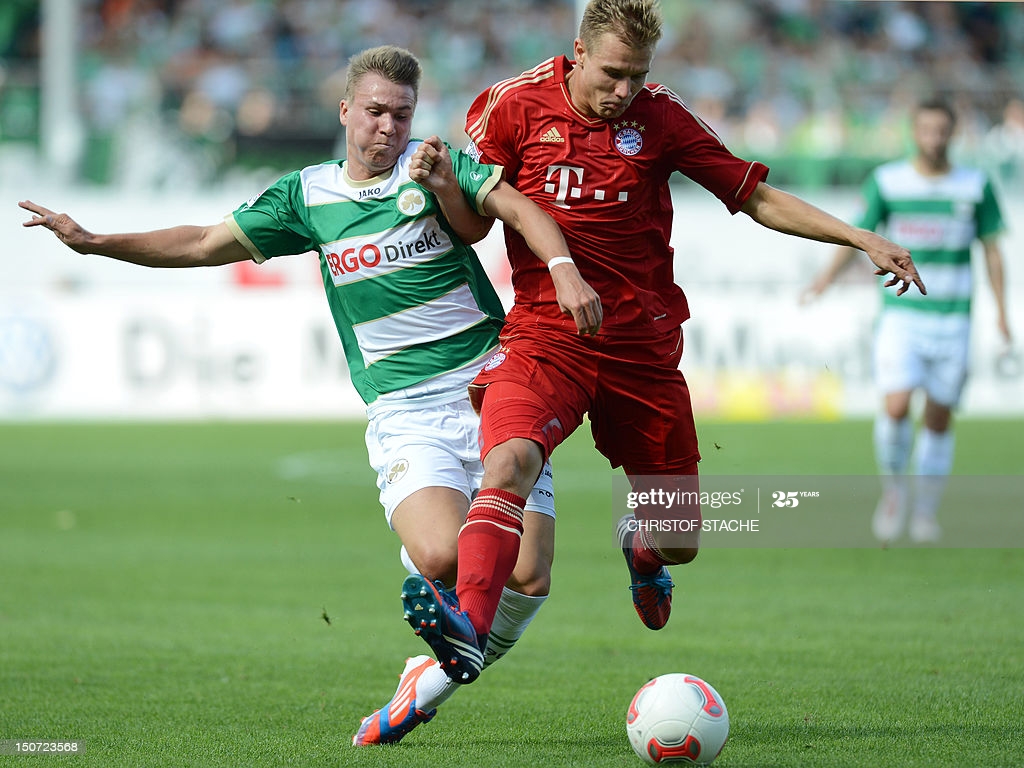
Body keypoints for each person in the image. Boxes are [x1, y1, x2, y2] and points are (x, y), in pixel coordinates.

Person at [19, 45, 603, 746]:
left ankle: (432, 676)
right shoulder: (306, 197)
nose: (389, 128)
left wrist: (560, 266)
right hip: (407, 410)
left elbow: (507, 208)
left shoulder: (433, 166)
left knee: (529, 578)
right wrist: (94, 241)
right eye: (376, 112)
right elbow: (205, 241)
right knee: (446, 561)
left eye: (402, 114)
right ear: (346, 111)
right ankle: (443, 641)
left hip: (492, 385)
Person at [397, 0, 925, 683]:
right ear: (578, 52)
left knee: (679, 542)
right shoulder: (509, 106)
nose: (624, 91)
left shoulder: (662, 115)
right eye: (613, 73)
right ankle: (467, 625)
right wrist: (444, 187)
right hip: (545, 336)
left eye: (637, 77)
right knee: (508, 466)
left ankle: (641, 552)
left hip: (642, 350)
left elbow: (753, 196)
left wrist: (859, 237)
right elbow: (473, 223)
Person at [804, 97, 1011, 544]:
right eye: (927, 130)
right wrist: (824, 281)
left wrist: (1004, 313)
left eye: (942, 130)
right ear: (914, 133)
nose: (934, 139)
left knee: (938, 417)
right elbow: (856, 235)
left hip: (953, 318)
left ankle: (926, 512)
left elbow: (993, 251)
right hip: (902, 316)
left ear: (953, 133)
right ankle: (895, 490)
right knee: (896, 405)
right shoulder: (889, 182)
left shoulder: (975, 185)